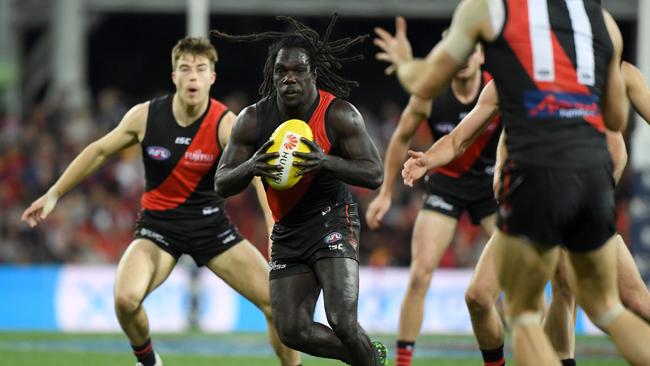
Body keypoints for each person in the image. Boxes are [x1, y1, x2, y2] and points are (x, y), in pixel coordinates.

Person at [375, 1, 650, 364]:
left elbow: (423, 81)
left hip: (537, 176)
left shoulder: (496, 15)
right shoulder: (600, 24)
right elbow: (616, 117)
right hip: (591, 179)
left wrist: (405, 63)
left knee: (522, 316)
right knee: (607, 309)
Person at [21, 37, 300, 366]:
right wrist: (54, 193)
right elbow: (98, 150)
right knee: (125, 300)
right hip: (158, 229)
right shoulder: (145, 116)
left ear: (212, 77)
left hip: (212, 229)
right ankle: (149, 361)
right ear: (174, 77)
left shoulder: (227, 123)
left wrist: (273, 227)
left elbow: (258, 175)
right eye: (185, 69)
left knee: (277, 306)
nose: (192, 76)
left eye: (200, 69)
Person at [211, 15, 387, 366]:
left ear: (312, 73)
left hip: (333, 219)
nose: (288, 78)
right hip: (288, 230)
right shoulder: (253, 120)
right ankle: (367, 357)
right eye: (281, 71)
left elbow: (374, 174)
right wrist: (251, 167)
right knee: (291, 329)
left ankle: (362, 353)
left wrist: (326, 163)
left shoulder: (338, 114)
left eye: (297, 70)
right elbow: (221, 183)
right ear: (272, 74)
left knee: (341, 320)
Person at [365, 37, 505, 365]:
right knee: (419, 274)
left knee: (519, 282)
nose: (467, 57)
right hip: (445, 188)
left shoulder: (498, 90)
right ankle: (403, 360)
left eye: (473, 50)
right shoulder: (430, 94)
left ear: (482, 55)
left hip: (490, 190)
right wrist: (385, 193)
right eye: (461, 50)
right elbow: (400, 138)